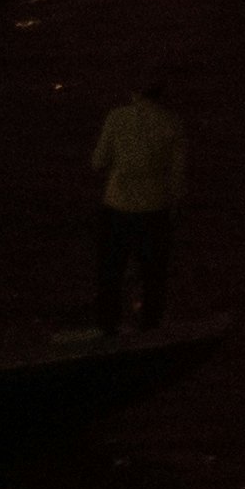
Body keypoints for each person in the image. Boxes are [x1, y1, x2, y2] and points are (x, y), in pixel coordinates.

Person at [87, 66, 188, 333]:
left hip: (117, 205)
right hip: (154, 209)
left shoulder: (117, 118)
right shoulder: (172, 122)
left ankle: (107, 328)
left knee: (110, 272)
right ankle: (150, 329)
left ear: (134, 92)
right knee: (153, 275)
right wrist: (175, 208)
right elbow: (178, 176)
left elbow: (98, 162)